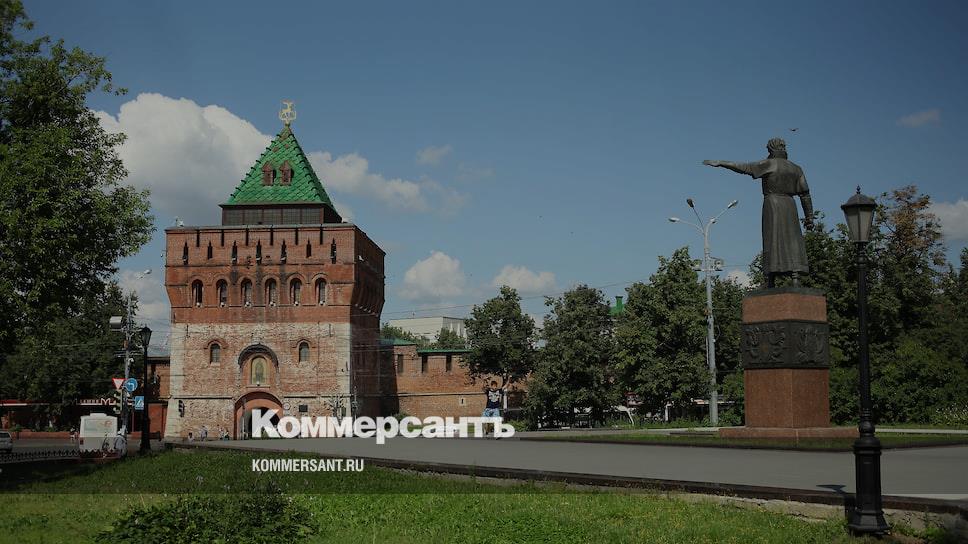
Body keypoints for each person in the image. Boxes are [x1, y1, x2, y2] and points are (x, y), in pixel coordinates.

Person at [704, 138, 814, 287]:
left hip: (773, 204)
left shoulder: (770, 164)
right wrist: (809, 217)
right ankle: (795, 276)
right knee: (792, 239)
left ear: (771, 150)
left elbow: (745, 167)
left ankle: (770, 278)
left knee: (772, 239)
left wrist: (722, 163)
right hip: (790, 206)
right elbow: (805, 194)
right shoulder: (796, 169)